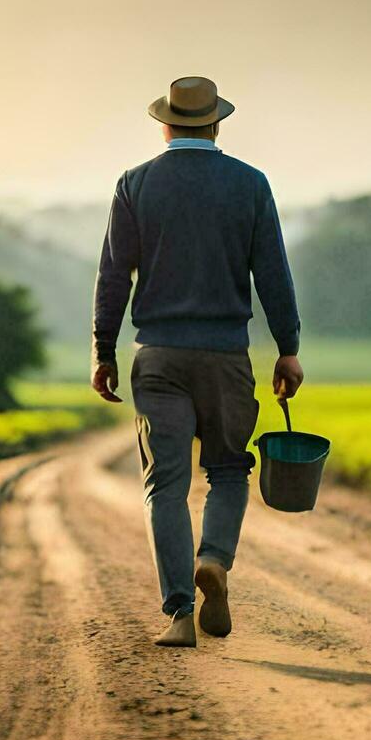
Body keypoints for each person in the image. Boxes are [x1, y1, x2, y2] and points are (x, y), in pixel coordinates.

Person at [91, 75, 304, 648]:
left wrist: (103, 350)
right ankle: (214, 558)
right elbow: (273, 275)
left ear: (165, 123)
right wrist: (288, 348)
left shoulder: (134, 184)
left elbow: (114, 275)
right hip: (225, 354)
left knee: (164, 483)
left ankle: (180, 613)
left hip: (157, 355)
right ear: (215, 124)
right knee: (229, 470)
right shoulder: (250, 184)